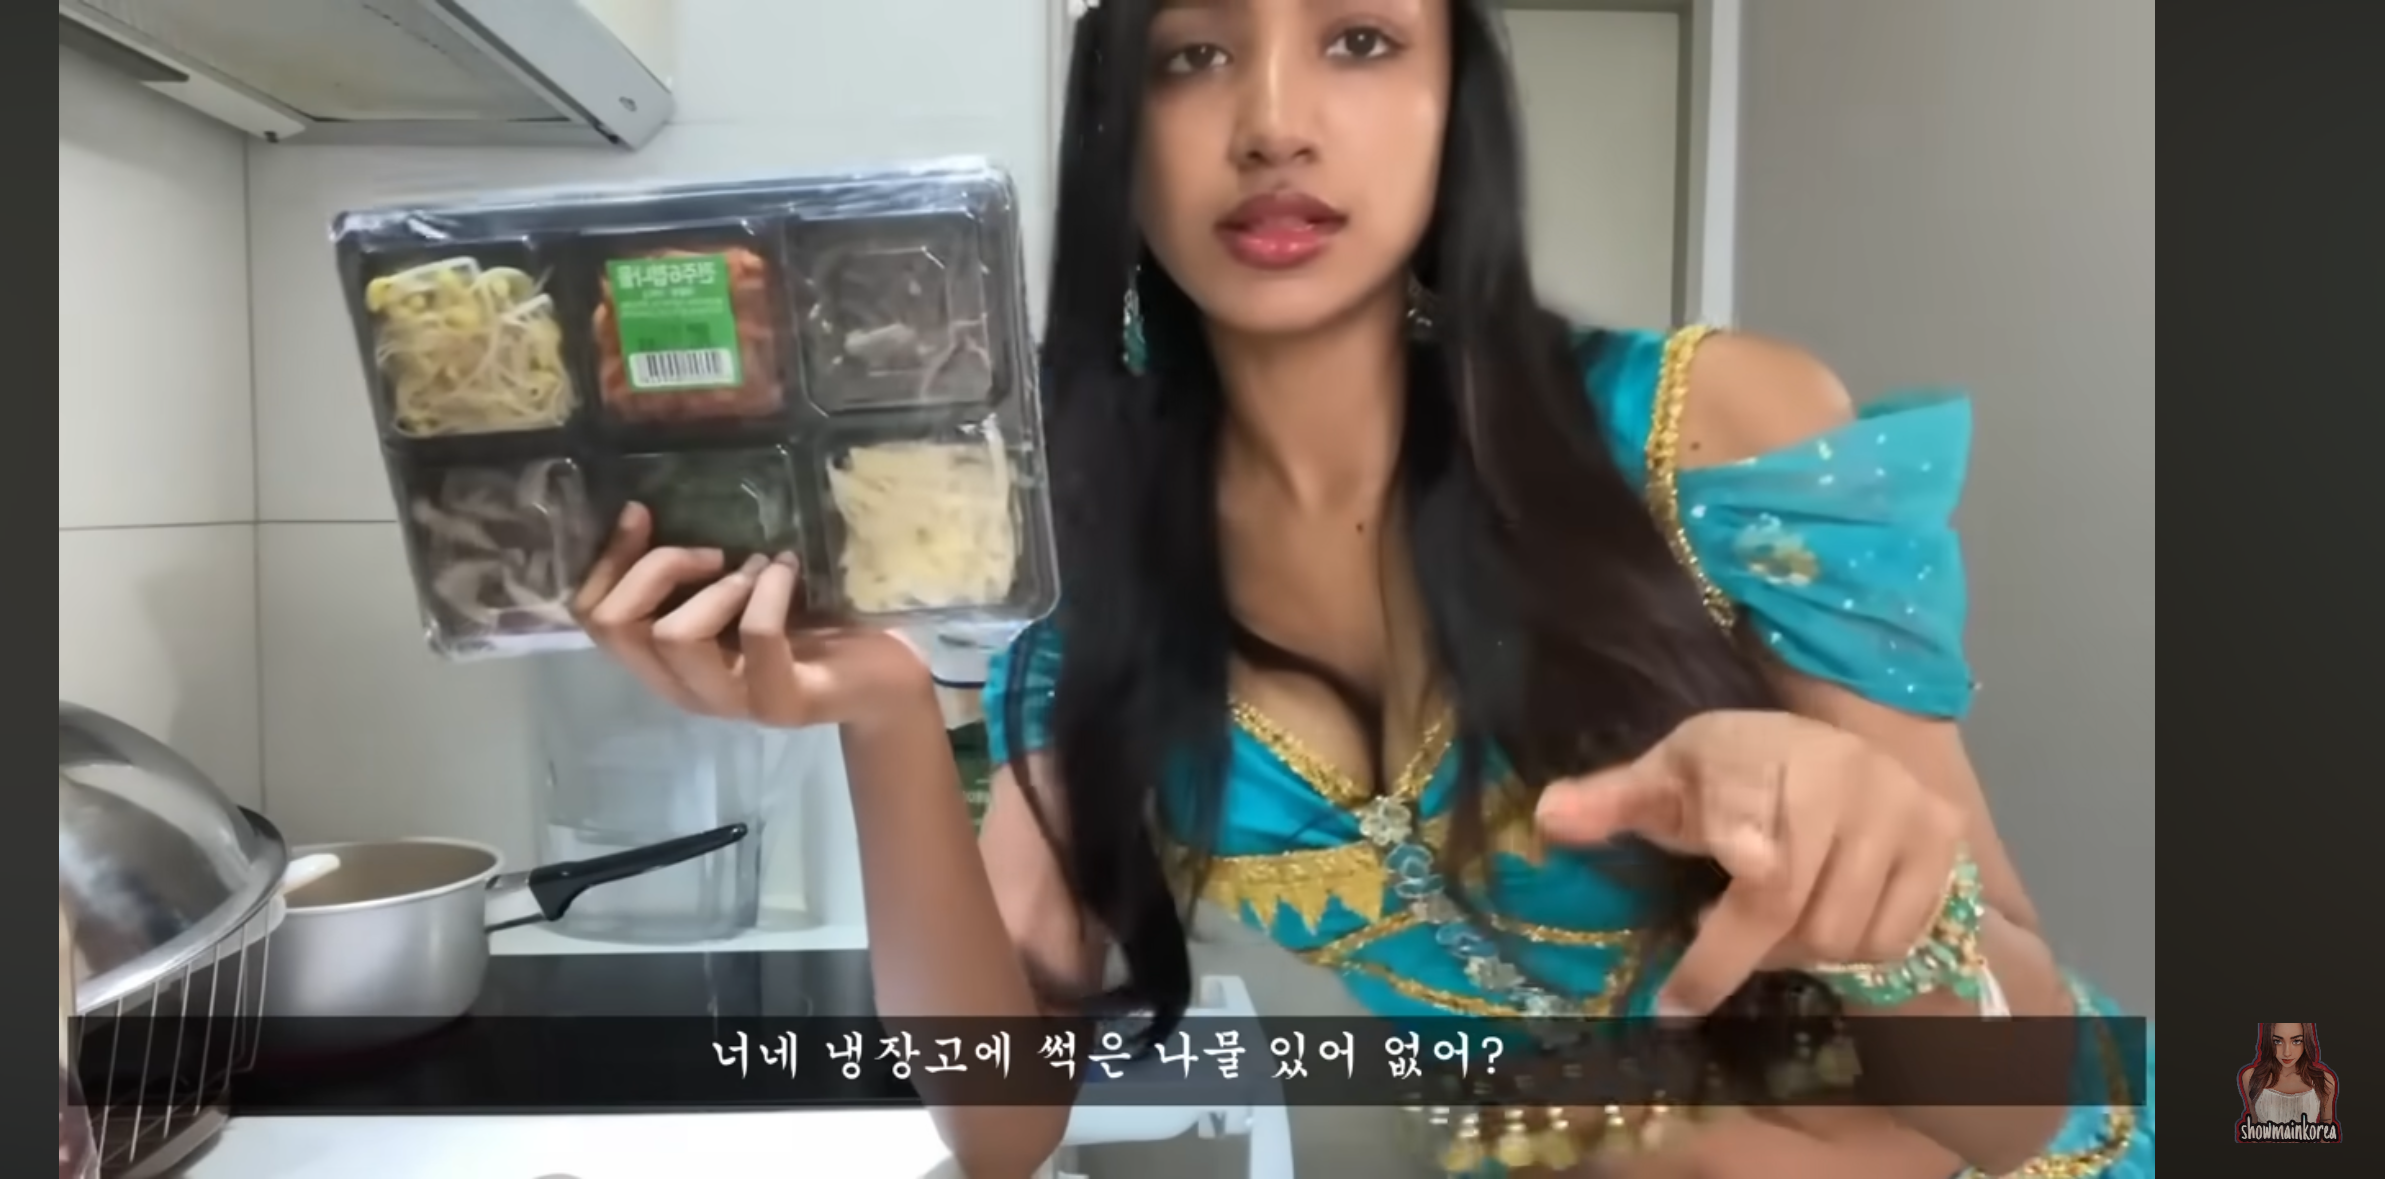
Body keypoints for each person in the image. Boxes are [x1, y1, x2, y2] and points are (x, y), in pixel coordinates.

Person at [571, 1, 2153, 1175]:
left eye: (1360, 40)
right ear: (1118, 127)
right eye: (1195, 53)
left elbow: (2020, 1099)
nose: (1273, 120)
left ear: (1458, 96)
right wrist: (880, 716)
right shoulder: (1092, 587)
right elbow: (999, 1122)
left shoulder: (1716, 434)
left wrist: (1888, 906)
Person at [2241, 1023, 2337, 1127]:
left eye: (2296, 1041)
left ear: (2306, 1041)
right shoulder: (2251, 1077)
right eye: (2277, 1041)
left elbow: (2326, 1122)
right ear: (2269, 1041)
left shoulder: (2324, 1080)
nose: (2287, 1053)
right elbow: (2254, 1124)